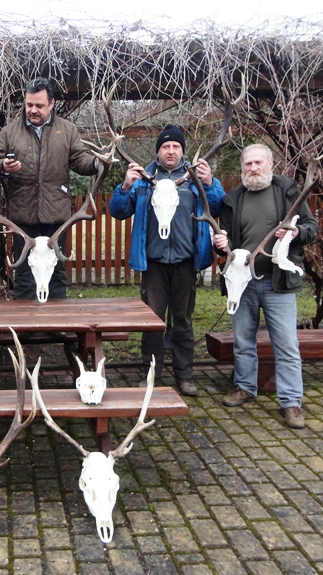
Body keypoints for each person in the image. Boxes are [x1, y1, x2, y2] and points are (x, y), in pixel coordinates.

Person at [108, 124, 225, 396]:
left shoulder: (194, 178)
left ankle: (184, 375)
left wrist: (210, 183)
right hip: (154, 264)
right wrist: (125, 185)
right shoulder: (143, 179)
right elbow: (118, 210)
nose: (170, 151)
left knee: (183, 320)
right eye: (165, 146)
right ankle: (151, 374)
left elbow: (219, 206)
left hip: (185, 261)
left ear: (182, 150)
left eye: (175, 146)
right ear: (158, 150)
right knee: (152, 321)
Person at [212, 144, 319, 429]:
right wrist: (222, 244)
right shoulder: (233, 199)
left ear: (271, 165)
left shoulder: (288, 192)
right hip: (243, 281)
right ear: (242, 167)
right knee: (243, 341)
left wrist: (295, 233)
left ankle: (291, 402)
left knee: (286, 344)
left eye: (259, 163)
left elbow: (312, 228)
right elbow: (228, 244)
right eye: (248, 164)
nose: (253, 168)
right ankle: (245, 387)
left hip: (277, 283)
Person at [0, 77, 99, 300]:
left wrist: (96, 163)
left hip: (56, 218)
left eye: (39, 105)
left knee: (55, 275)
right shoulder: (9, 132)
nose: (33, 110)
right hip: (23, 218)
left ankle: (56, 322)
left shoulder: (67, 130)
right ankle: (26, 323)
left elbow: (80, 160)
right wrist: (3, 166)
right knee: (25, 277)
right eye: (29, 105)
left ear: (51, 104)